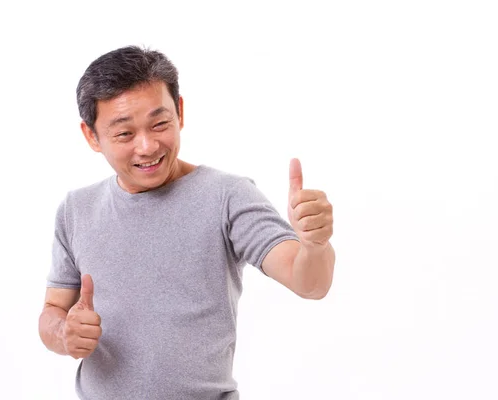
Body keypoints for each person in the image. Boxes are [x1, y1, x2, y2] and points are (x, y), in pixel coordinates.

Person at [38, 45, 335, 400]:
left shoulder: (227, 196)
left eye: (159, 123)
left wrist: (315, 245)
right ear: (91, 136)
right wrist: (64, 333)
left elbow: (310, 284)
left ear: (179, 112)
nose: (147, 146)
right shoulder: (77, 208)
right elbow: (53, 310)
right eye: (125, 134)